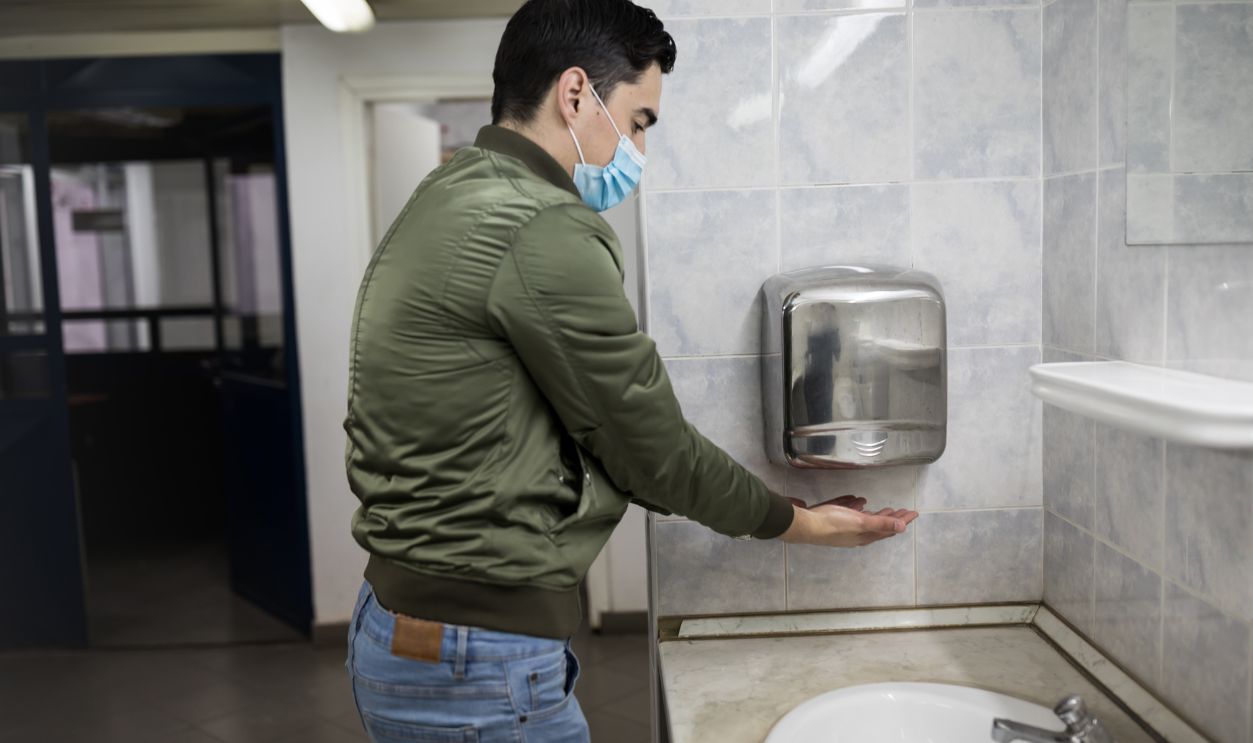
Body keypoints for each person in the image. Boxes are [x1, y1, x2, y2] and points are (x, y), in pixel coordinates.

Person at [342, 1, 920, 740]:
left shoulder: (449, 194)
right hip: (472, 656)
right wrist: (800, 522)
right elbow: (649, 447)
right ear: (575, 93)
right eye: (640, 120)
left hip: (411, 626)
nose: (639, 148)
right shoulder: (538, 225)